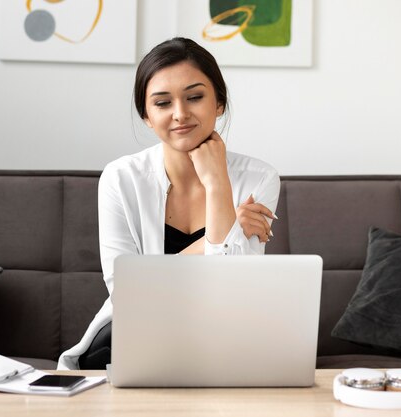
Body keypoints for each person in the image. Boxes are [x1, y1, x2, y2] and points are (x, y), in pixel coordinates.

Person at [57, 37, 280, 370]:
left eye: (194, 97)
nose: (180, 114)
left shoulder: (258, 178)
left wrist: (217, 181)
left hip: (223, 330)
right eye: (162, 103)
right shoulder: (121, 178)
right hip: (139, 330)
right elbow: (129, 290)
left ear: (218, 103)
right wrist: (216, 237)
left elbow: (235, 289)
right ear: (147, 115)